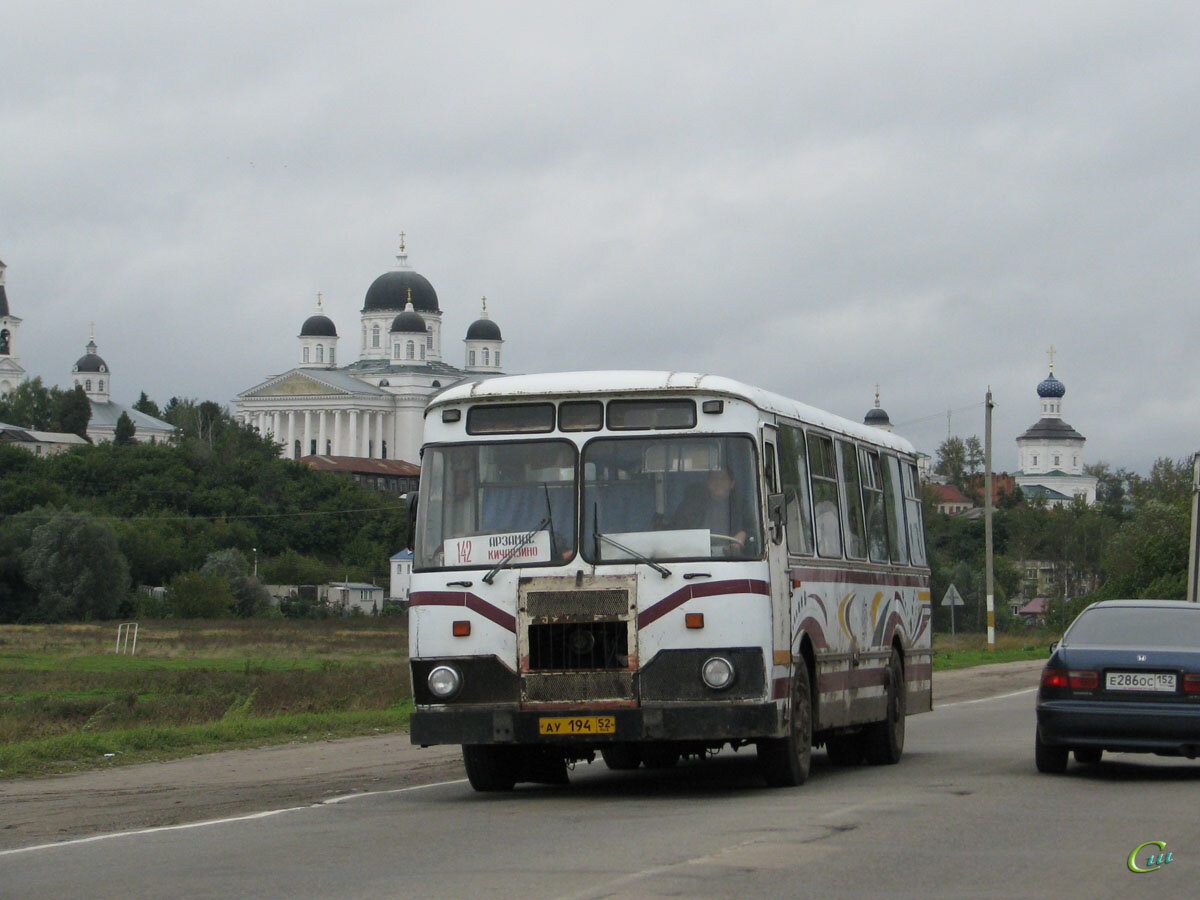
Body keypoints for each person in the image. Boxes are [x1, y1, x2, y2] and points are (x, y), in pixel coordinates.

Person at [671, 468, 753, 554]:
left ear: (732, 484)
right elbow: (677, 531)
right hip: (696, 556)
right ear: (708, 483)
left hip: (733, 558)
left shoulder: (741, 507)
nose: (718, 482)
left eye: (723, 479)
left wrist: (743, 535)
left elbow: (754, 532)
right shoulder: (690, 505)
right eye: (714, 478)